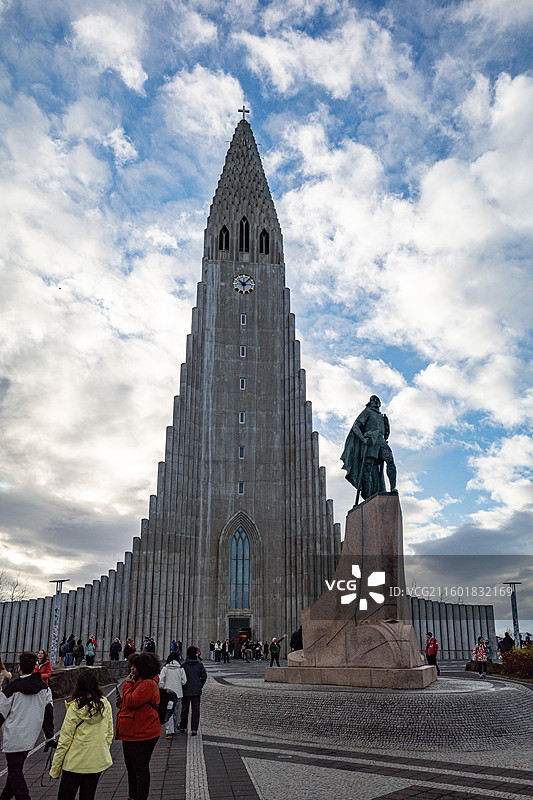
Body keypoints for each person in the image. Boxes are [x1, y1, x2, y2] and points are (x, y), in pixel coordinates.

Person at [0, 651, 55, 800]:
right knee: (15, 769)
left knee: (15, 769)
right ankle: (5, 796)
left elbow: (1, 712)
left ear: (19, 668)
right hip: (30, 736)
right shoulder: (44, 688)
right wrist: (49, 737)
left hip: (13, 736)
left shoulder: (12, 688)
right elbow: (48, 714)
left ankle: (24, 797)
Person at [50, 669, 113, 799]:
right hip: (96, 761)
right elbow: (109, 733)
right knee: (88, 795)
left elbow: (65, 741)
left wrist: (55, 769)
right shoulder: (105, 704)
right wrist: (103, 751)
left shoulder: (75, 707)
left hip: (74, 763)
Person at [116, 652, 162, 800]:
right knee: (131, 767)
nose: (132, 669)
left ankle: (140, 797)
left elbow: (131, 702)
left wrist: (127, 685)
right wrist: (121, 700)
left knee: (140, 768)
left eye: (134, 666)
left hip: (143, 732)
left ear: (143, 668)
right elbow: (129, 703)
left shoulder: (148, 684)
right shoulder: (139, 681)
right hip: (132, 731)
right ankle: (132, 796)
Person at [341, 395, 397, 501]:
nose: (376, 401)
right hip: (371, 442)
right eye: (373, 400)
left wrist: (386, 425)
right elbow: (356, 426)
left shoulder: (382, 416)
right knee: (368, 469)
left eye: (377, 400)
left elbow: (386, 433)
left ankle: (393, 488)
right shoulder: (367, 411)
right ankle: (368, 496)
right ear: (370, 402)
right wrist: (363, 439)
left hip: (381, 441)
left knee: (390, 460)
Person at [178, 646, 207, 736]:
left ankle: (183, 726)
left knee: (184, 709)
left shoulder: (184, 665)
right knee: (195, 710)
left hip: (186, 689)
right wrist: (200, 685)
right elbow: (204, 676)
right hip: (196, 691)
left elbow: (180, 677)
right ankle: (194, 729)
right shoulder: (199, 664)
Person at [159, 653, 187, 739]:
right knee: (175, 711)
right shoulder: (180, 668)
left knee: (168, 711)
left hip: (167, 693)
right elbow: (184, 681)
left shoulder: (165, 668)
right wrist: (178, 684)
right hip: (178, 693)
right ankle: (173, 727)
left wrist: (163, 687)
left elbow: (160, 680)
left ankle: (169, 730)